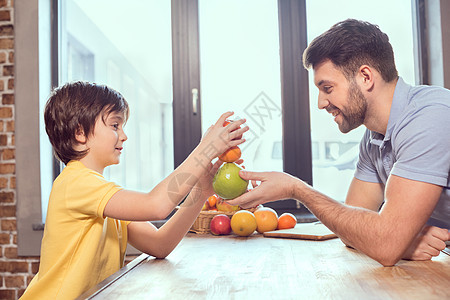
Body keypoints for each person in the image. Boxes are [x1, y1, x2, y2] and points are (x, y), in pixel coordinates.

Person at [228, 19, 450, 267]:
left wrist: (297, 190)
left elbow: (384, 245)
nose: (321, 103)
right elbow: (351, 230)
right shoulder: (374, 137)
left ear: (365, 77)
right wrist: (400, 242)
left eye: (327, 88)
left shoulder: (429, 116)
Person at [21, 81, 248, 299]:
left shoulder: (104, 196)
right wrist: (206, 150)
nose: (124, 135)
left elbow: (160, 245)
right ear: (80, 133)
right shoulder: (75, 183)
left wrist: (200, 192)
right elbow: (157, 205)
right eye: (114, 125)